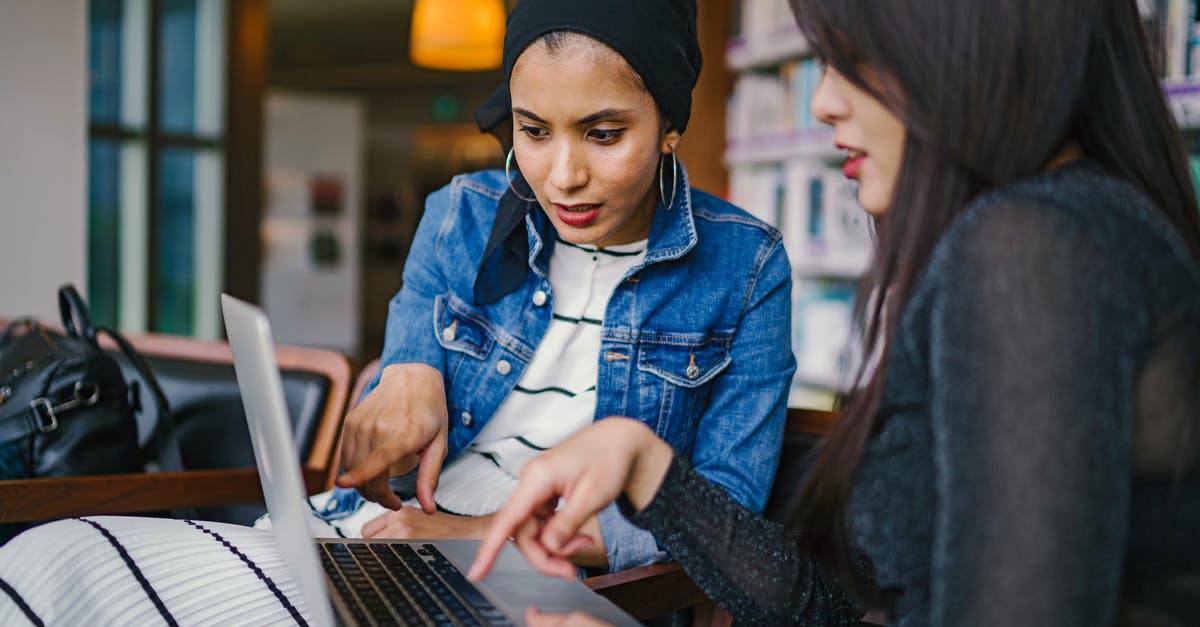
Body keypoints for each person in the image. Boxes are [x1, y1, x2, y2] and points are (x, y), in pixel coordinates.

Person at [0, 0, 798, 623]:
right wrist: (403, 369)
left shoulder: (746, 266)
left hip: (535, 585)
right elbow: (401, 385)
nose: (561, 175)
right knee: (50, 558)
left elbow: (717, 522)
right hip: (369, 536)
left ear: (671, 125)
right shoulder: (462, 210)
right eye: (531, 130)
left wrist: (488, 538)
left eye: (602, 133)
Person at [470, 0, 1200, 625]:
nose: (823, 102)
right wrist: (647, 465)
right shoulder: (1067, 229)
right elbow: (835, 610)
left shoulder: (1034, 248)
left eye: (853, 57)